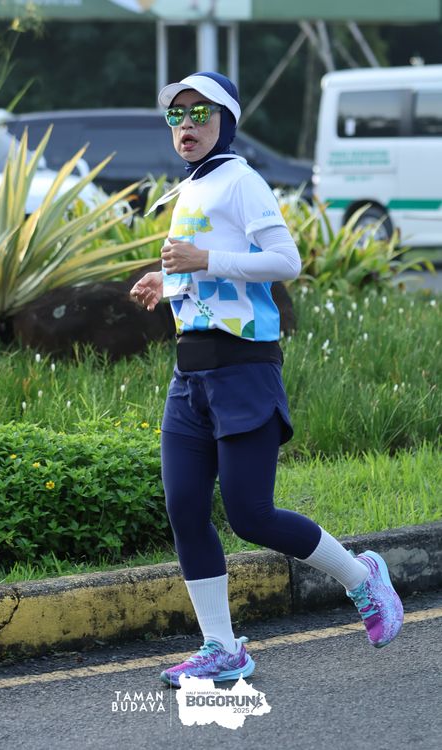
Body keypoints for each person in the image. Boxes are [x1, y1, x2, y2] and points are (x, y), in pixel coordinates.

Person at [130, 72, 404, 689]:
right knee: (185, 508)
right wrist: (167, 280)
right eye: (175, 116)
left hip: (243, 370)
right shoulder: (193, 186)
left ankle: (362, 577)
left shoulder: (241, 180)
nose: (186, 125)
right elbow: (205, 274)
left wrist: (203, 260)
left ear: (226, 120)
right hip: (190, 375)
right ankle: (222, 648)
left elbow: (285, 262)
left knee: (250, 514)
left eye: (199, 113)